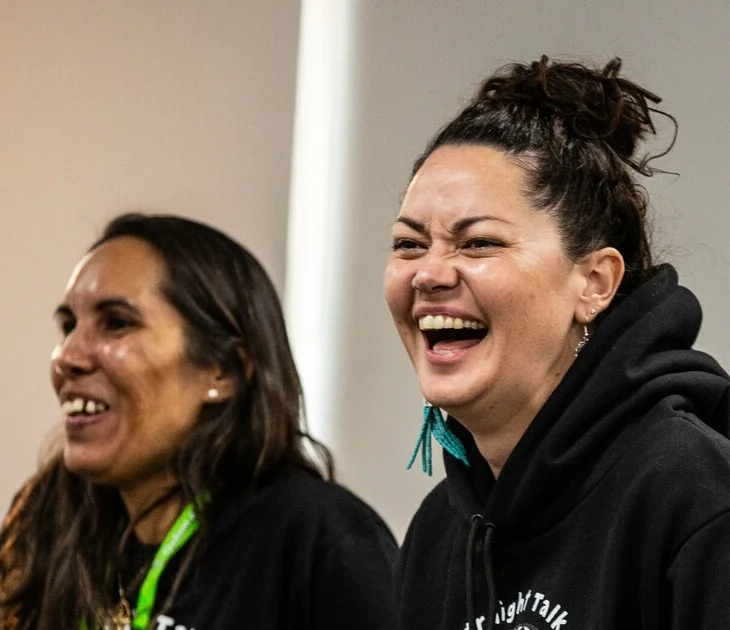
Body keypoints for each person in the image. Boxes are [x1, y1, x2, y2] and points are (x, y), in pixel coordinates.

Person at [385, 56, 730, 630]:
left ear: (594, 283)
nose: (429, 274)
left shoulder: (698, 500)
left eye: (478, 244)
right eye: (408, 244)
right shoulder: (437, 535)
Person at [0, 213, 398, 630]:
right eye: (69, 326)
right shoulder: (46, 523)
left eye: (117, 323)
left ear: (221, 370)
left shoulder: (316, 536)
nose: (67, 357)